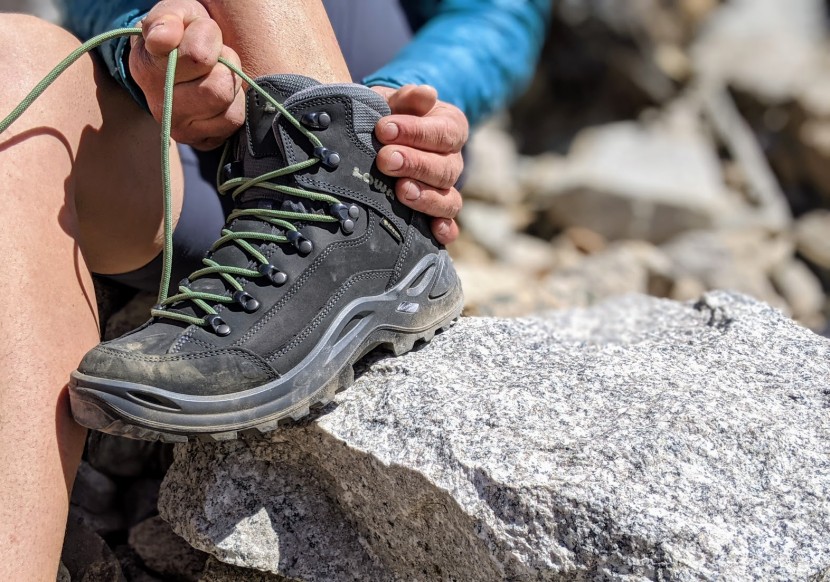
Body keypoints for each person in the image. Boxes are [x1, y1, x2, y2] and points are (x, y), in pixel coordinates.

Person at [0, 0, 550, 579]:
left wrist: (409, 100)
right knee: (13, 58)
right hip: (181, 147)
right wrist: (146, 43)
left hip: (376, 143)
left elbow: (498, 11)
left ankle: (350, 192)